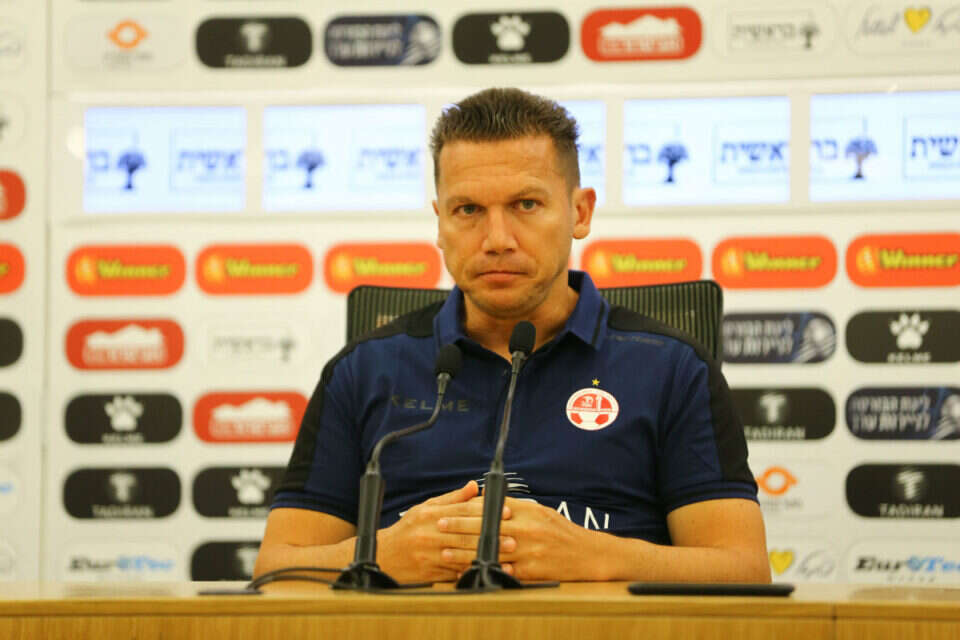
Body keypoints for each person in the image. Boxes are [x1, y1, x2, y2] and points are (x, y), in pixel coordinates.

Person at [254, 88, 770, 584]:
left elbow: (742, 569)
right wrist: (375, 556)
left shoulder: (672, 368)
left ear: (580, 212)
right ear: (440, 223)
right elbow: (277, 568)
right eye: (468, 210)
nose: (497, 240)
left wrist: (595, 556)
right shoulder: (364, 370)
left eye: (525, 204)